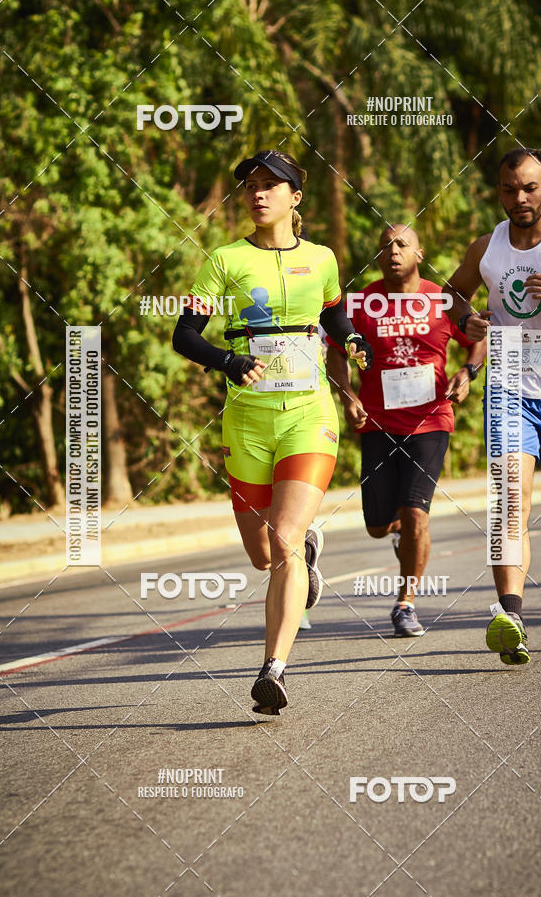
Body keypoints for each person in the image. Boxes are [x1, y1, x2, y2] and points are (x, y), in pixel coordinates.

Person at [172, 150, 372, 713]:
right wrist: (227, 362)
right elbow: (184, 335)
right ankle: (307, 550)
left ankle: (273, 670)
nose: (258, 194)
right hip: (247, 422)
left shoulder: (323, 258)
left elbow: (334, 317)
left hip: (309, 417)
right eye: (250, 186)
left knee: (280, 541)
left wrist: (352, 341)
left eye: (270, 185)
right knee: (264, 554)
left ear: (294, 197)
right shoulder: (223, 259)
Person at [443, 147, 541, 665]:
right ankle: (511, 615)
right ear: (499, 191)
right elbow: (452, 294)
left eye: (530, 187)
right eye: (510, 189)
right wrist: (467, 320)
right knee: (509, 500)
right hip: (508, 382)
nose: (520, 198)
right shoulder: (487, 249)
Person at [325, 224, 486, 636]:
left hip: (431, 421)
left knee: (416, 513)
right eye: (385, 246)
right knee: (378, 525)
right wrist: (348, 398)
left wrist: (467, 373)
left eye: (401, 244)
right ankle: (394, 529)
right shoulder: (361, 303)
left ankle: (405, 603)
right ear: (378, 257)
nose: (392, 251)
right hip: (377, 423)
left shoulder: (442, 298)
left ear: (419, 252)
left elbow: (479, 339)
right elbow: (337, 354)